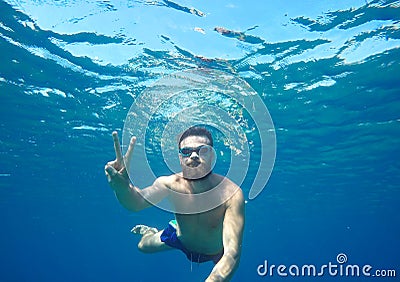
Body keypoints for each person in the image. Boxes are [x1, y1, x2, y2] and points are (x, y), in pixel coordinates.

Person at [104, 126, 245, 282]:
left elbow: (232, 253)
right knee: (142, 246)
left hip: (216, 251)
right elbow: (135, 203)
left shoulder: (230, 194)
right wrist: (121, 188)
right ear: (180, 158)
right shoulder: (169, 184)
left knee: (226, 269)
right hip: (181, 239)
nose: (193, 156)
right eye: (186, 151)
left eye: (202, 150)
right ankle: (150, 231)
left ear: (212, 156)